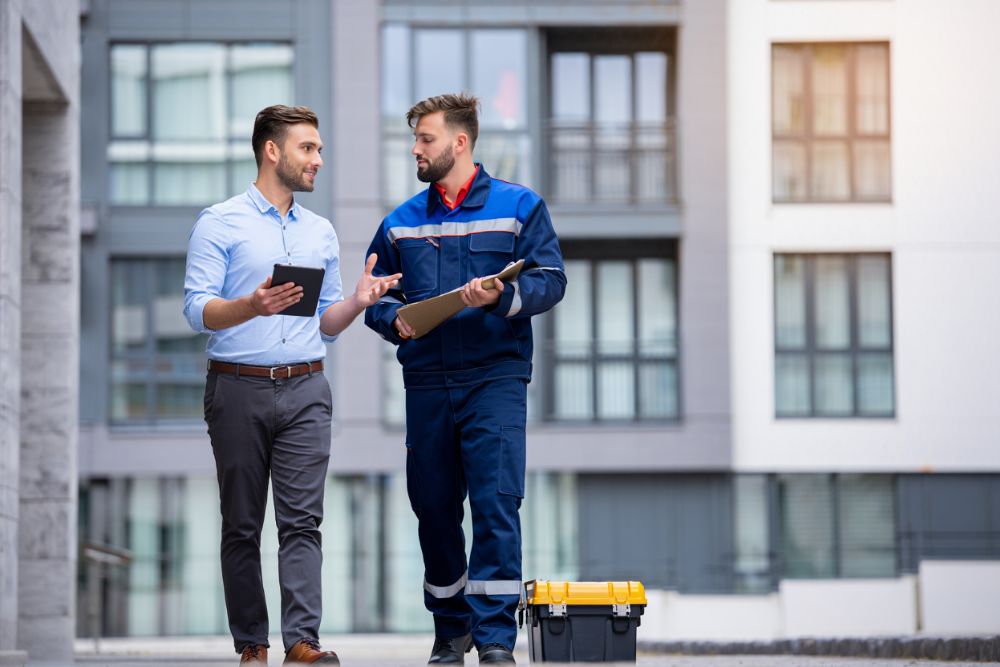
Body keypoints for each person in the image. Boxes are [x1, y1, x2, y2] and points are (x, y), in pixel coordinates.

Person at [183, 105, 399, 666]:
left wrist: (357, 301)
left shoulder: (320, 233)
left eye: (320, 150)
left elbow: (324, 323)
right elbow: (195, 310)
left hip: (306, 389)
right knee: (243, 523)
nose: (318, 160)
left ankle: (301, 642)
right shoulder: (219, 222)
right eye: (309, 148)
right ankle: (252, 645)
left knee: (302, 522)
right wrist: (249, 305)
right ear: (272, 150)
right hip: (237, 389)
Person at [364, 94, 566, 665]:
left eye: (425, 139)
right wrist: (391, 320)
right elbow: (376, 295)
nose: (415, 149)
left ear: (459, 142)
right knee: (432, 507)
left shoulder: (520, 206)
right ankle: (451, 630)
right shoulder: (399, 223)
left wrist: (504, 297)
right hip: (427, 381)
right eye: (415, 140)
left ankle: (496, 641)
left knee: (496, 504)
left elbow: (552, 280)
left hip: (495, 378)